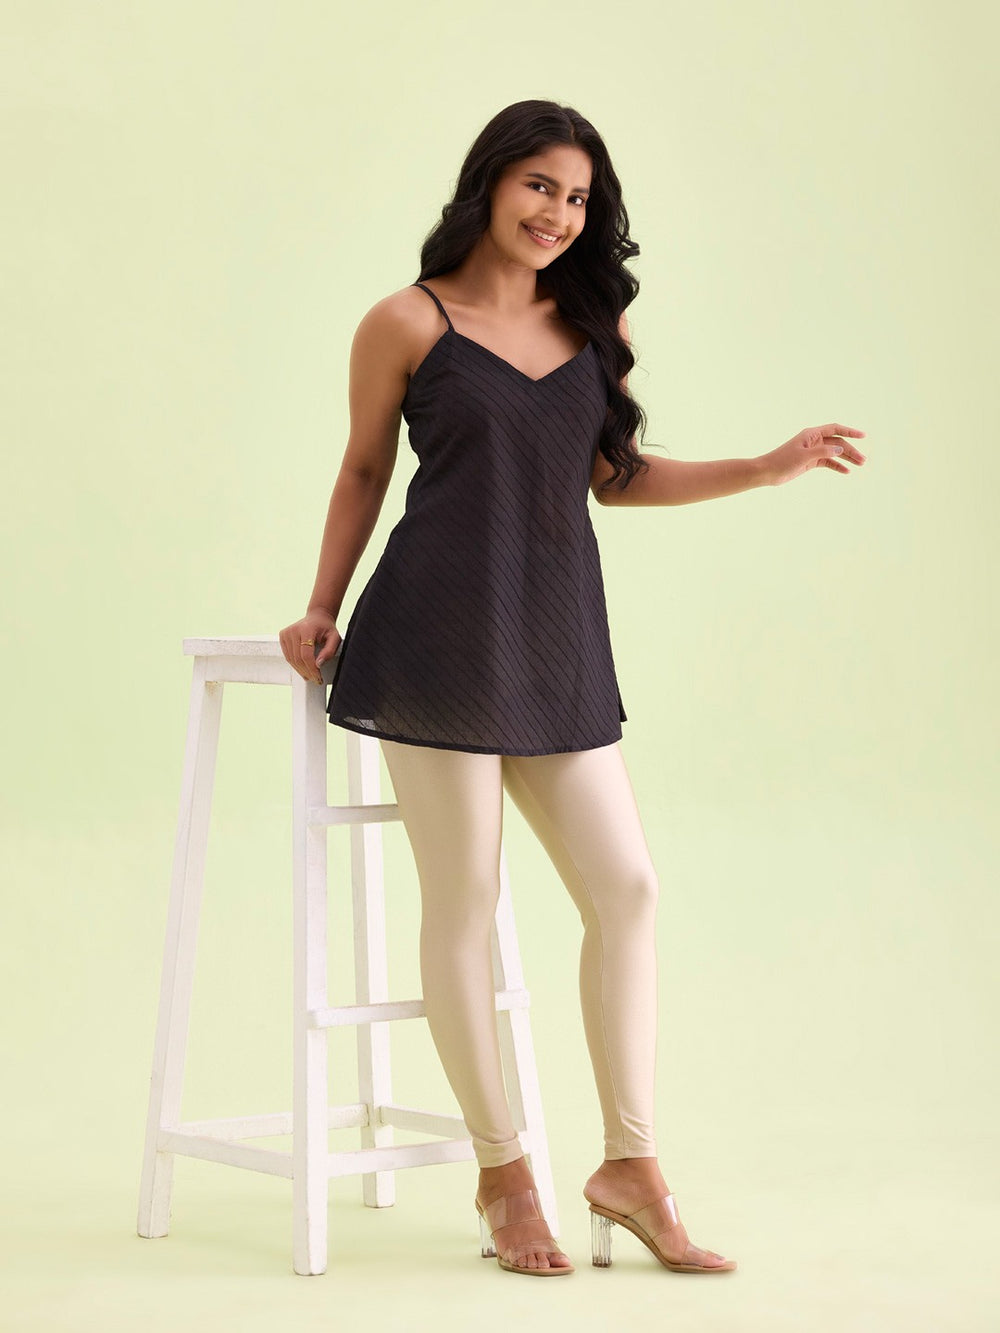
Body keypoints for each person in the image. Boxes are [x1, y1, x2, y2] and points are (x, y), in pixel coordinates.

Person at [279, 99, 866, 1278]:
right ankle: (504, 1174)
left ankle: (630, 1166)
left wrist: (763, 468)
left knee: (627, 887)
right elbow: (363, 467)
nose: (557, 212)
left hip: (554, 638)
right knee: (465, 895)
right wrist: (321, 603)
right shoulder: (406, 320)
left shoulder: (598, 324)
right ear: (490, 183)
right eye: (539, 185)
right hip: (434, 636)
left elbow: (616, 476)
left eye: (578, 197)